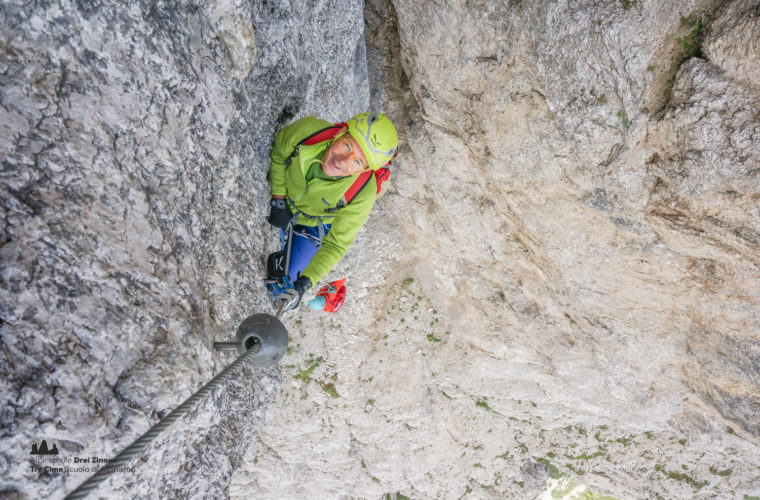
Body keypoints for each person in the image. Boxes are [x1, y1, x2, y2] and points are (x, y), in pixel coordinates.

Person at [265, 111, 398, 310]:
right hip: (286, 201)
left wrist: (304, 284)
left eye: (357, 162)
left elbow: (336, 245)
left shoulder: (363, 191)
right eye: (347, 146)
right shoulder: (308, 132)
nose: (343, 161)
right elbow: (278, 154)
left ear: (364, 170)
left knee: (286, 297)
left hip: (312, 226)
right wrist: (278, 199)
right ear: (341, 132)